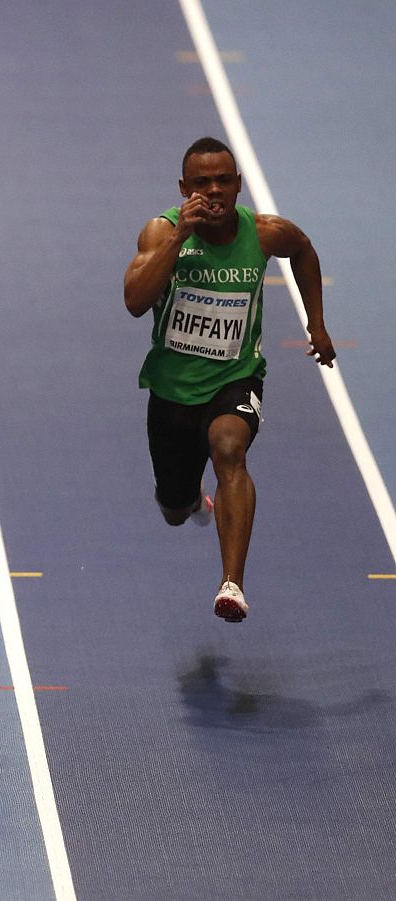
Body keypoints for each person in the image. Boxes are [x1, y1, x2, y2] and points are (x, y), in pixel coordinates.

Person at [123, 136, 335, 623]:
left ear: (239, 184)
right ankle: (194, 498)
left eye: (223, 181)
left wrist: (316, 323)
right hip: (172, 389)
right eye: (201, 183)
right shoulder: (161, 233)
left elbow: (303, 251)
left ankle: (232, 583)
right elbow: (135, 302)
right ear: (184, 188)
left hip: (235, 377)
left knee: (229, 448)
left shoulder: (264, 233)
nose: (213, 191)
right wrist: (180, 240)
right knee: (174, 509)